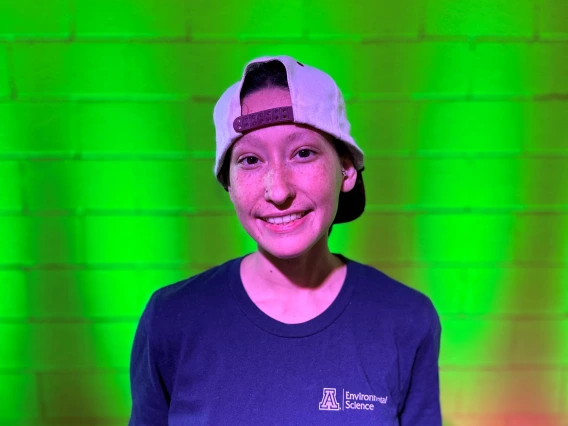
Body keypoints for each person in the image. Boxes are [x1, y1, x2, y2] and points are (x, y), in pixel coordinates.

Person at [129, 55, 442, 425]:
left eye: (303, 153)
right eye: (249, 160)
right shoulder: (171, 319)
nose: (278, 190)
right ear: (227, 184)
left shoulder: (406, 319)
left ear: (345, 170)